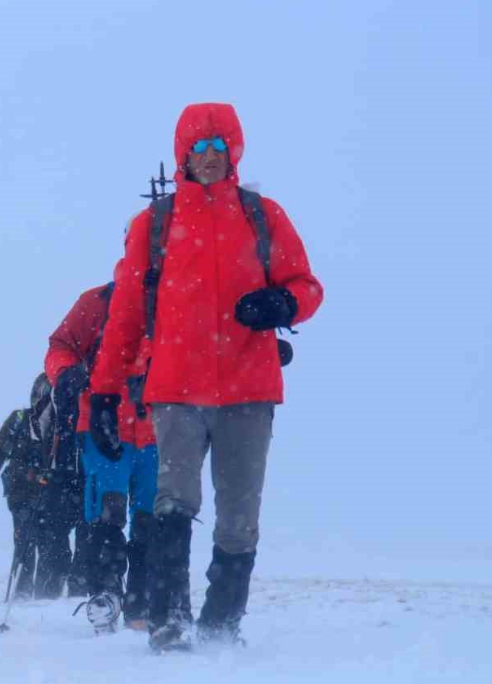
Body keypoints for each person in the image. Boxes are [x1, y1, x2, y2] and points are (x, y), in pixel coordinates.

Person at [89, 103, 323, 650]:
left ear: (234, 151)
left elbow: (308, 286)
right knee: (173, 503)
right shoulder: (155, 226)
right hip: (175, 391)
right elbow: (123, 315)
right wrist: (104, 390)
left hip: (250, 389)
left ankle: (221, 626)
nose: (210, 157)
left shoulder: (264, 216)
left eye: (219, 147)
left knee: (240, 515)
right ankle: (170, 624)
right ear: (182, 156)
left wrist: (281, 302)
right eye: (199, 148)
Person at [46, 274, 159, 633]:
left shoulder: (180, 300)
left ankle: (141, 603)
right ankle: (106, 596)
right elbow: (61, 345)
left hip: (159, 429)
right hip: (102, 423)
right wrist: (66, 374)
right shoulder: (96, 301)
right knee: (108, 513)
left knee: (150, 518)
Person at [0, 374, 52, 599]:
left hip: (49, 491)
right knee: (26, 541)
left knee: (46, 543)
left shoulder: (59, 423)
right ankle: (23, 593)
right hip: (21, 491)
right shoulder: (19, 419)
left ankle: (43, 595)